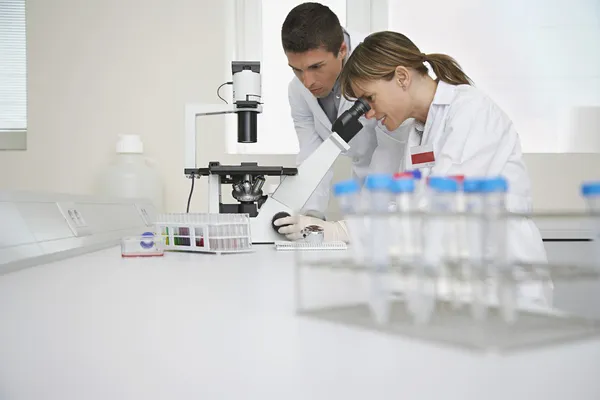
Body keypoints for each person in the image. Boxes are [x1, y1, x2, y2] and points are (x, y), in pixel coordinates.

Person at [334, 30, 546, 265]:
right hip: (458, 269)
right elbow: (409, 206)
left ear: (402, 77)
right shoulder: (417, 132)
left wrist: (348, 230)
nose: (370, 113)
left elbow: (439, 204)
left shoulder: (470, 111)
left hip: (504, 266)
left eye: (370, 98)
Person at [273, 3, 413, 241]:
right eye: (296, 70)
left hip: (394, 188)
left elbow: (390, 148)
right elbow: (313, 154)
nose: (307, 81)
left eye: (316, 67)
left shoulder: (376, 64)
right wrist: (310, 217)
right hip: (364, 192)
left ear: (342, 49)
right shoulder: (297, 91)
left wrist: (351, 228)